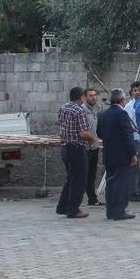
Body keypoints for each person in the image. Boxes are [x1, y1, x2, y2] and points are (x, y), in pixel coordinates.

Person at [97, 88, 138, 220]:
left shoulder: (103, 114)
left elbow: (99, 133)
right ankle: (119, 210)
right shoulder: (122, 114)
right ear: (122, 100)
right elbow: (127, 136)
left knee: (111, 183)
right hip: (121, 155)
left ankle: (110, 211)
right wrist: (133, 153)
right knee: (121, 183)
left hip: (108, 153)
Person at [55, 86, 95, 218]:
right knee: (79, 180)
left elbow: (60, 126)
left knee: (71, 178)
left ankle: (63, 206)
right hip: (77, 148)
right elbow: (83, 133)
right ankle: (73, 209)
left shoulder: (63, 108)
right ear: (81, 97)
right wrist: (91, 139)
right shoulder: (79, 110)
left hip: (65, 147)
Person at [81, 88, 104, 207]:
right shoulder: (82, 110)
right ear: (85, 97)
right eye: (90, 95)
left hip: (94, 146)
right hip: (85, 147)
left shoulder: (95, 110)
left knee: (91, 174)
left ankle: (92, 199)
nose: (93, 97)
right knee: (83, 174)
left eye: (95, 95)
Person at [124, 81, 140, 201]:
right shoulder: (129, 106)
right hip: (135, 139)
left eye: (139, 90)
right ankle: (132, 191)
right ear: (131, 93)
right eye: (134, 91)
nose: (137, 93)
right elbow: (127, 125)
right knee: (134, 166)